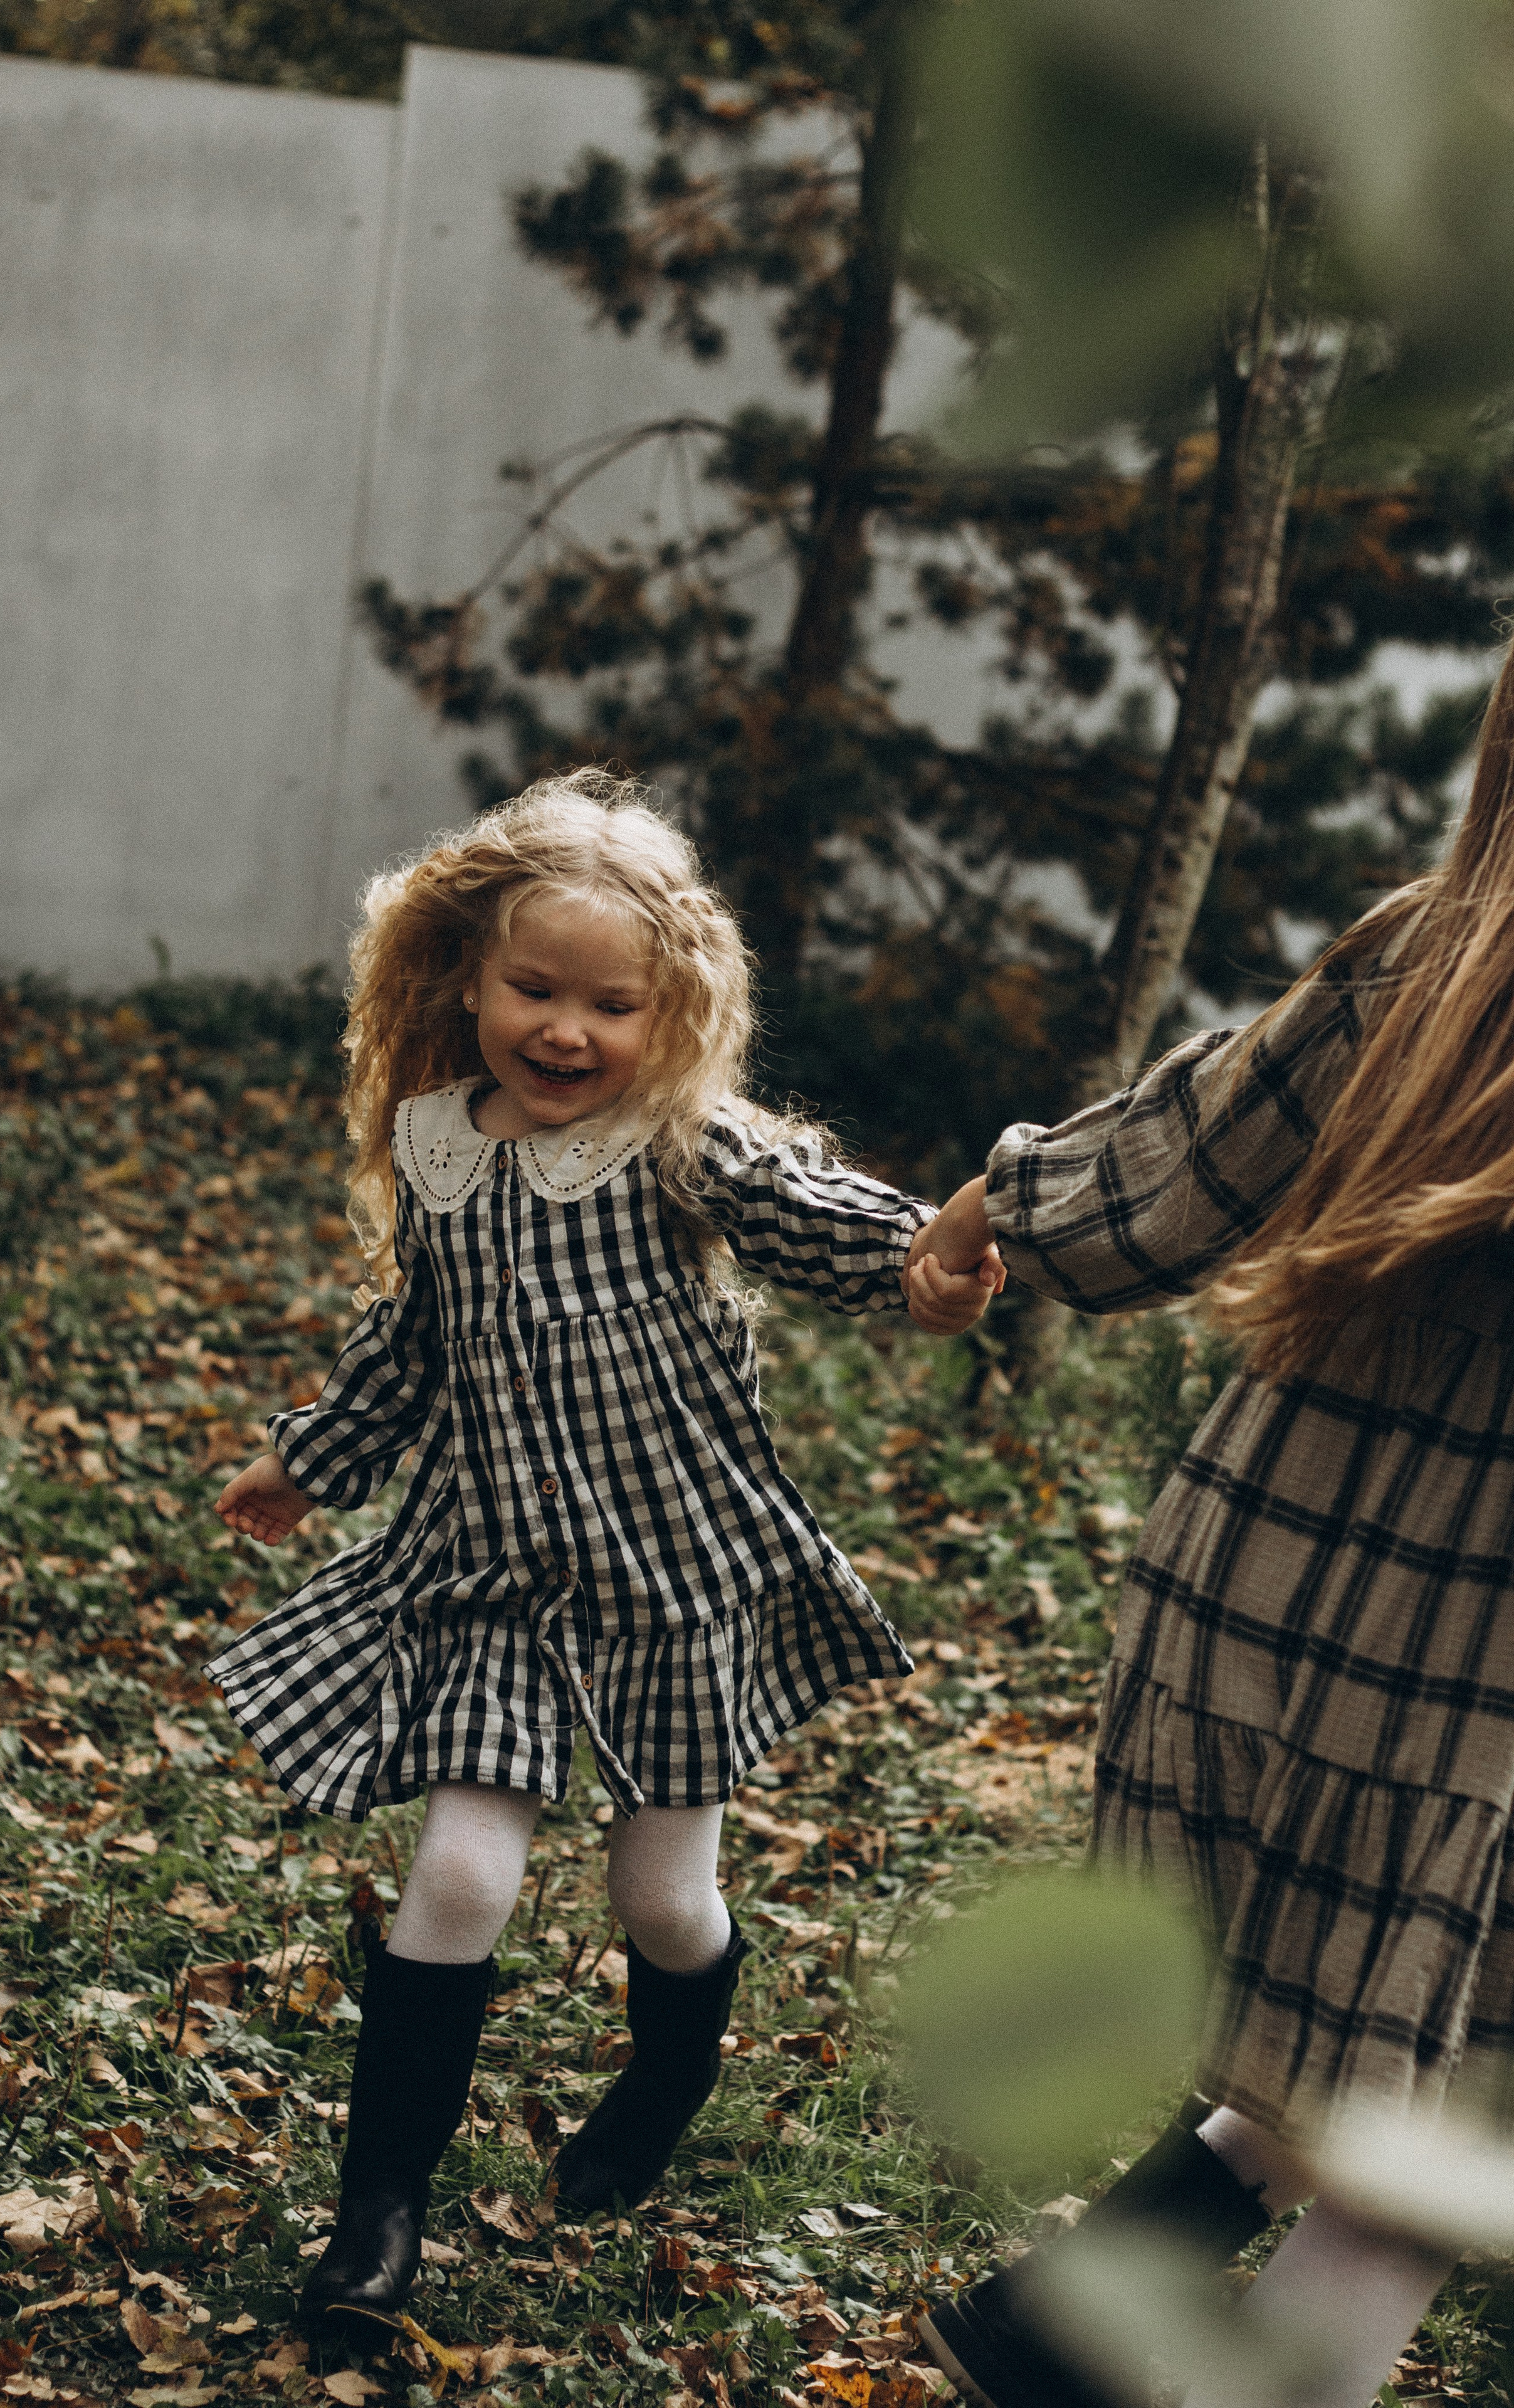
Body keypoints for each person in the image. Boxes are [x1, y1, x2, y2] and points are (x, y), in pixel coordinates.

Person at [205, 771, 999, 2334]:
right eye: (533, 990)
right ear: (468, 980)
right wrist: (307, 1458)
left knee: (661, 1901)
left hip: (670, 1581)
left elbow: (812, 1211)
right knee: (453, 1870)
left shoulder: (674, 1146)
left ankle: (666, 2075)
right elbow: (414, 1347)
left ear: (669, 1017)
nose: (565, 1032)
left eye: (609, 1005)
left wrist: (920, 1264)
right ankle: (377, 2224)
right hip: (489, 1573)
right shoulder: (441, 1147)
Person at [906, 651, 1514, 2408]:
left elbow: (1184, 1160)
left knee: (1360, 2042)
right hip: (1462, 1685)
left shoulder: (1427, 946)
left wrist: (994, 1202)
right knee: (1420, 2143)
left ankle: (1054, 2335)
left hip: (1257, 1605)